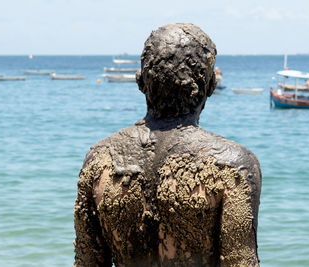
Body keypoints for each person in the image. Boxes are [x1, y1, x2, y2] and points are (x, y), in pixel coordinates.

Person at [74, 23, 262, 267]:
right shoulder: (233, 165)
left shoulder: (100, 161)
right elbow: (241, 262)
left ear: (140, 82)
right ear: (211, 86)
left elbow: (86, 262)